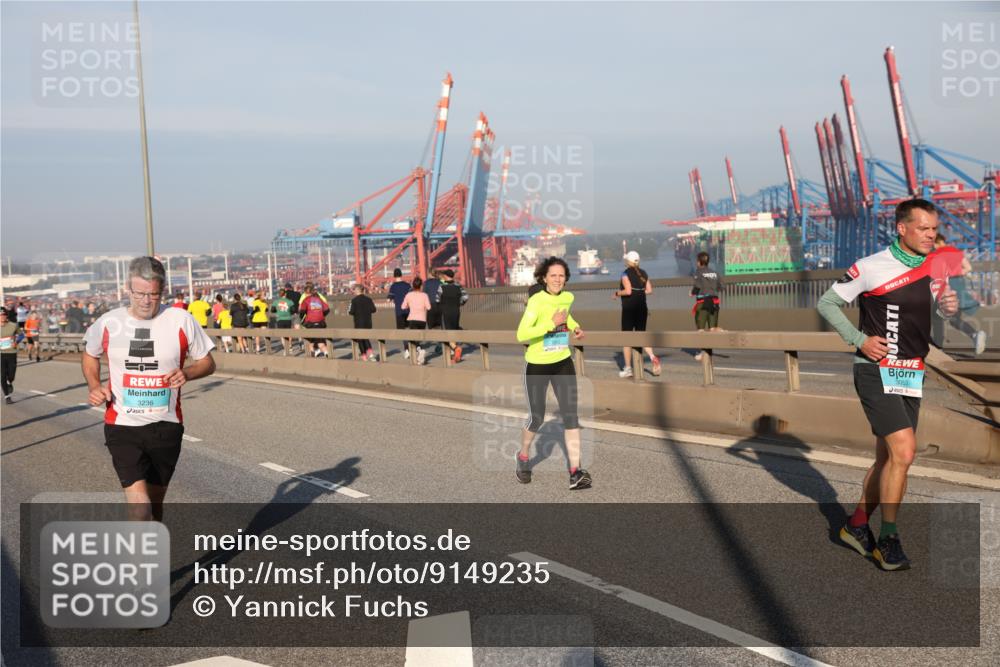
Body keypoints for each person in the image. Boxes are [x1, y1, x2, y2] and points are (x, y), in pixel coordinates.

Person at [817, 198, 959, 571]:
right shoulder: (870, 267)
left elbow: (931, 321)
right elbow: (827, 303)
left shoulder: (934, 267)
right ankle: (888, 539)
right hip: (874, 369)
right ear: (902, 228)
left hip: (912, 372)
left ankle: (856, 526)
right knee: (905, 452)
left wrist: (948, 308)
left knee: (888, 459)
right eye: (924, 228)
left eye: (934, 229)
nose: (932, 235)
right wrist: (858, 338)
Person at [82, 256, 216, 522]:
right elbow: (89, 354)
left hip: (165, 427)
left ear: (162, 291)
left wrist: (187, 373)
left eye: (153, 294)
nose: (146, 300)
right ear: (128, 290)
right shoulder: (109, 322)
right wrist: (95, 385)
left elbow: (208, 363)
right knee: (140, 508)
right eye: (140, 293)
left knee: (154, 507)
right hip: (122, 426)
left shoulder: (180, 319)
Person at [515, 257, 590, 490]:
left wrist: (574, 325)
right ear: (544, 278)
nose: (558, 279)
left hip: (562, 362)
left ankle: (575, 472)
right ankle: (524, 457)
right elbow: (522, 334)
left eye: (561, 275)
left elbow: (565, 316)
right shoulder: (536, 301)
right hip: (537, 365)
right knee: (536, 417)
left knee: (571, 416)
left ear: (566, 278)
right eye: (553, 275)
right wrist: (550, 323)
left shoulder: (568, 297)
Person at [930, 234, 987, 356]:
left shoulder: (936, 254)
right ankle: (974, 335)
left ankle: (937, 346)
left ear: (937, 242)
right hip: (959, 283)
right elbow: (968, 268)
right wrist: (956, 273)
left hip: (946, 285)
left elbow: (936, 274)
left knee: (937, 316)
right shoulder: (955, 251)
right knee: (953, 319)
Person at [614, 251, 661, 378]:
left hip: (629, 309)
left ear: (627, 261)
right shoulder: (644, 273)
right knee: (641, 335)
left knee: (627, 338)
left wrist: (617, 293)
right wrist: (639, 293)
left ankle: (628, 368)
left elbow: (628, 291)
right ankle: (652, 357)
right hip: (642, 309)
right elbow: (649, 290)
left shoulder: (625, 273)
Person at [691, 252, 723, 361]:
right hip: (715, 302)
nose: (696, 263)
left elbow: (697, 286)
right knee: (712, 328)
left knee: (701, 330)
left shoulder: (698, 272)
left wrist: (692, 293)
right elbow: (721, 286)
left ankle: (703, 352)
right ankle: (709, 352)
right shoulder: (715, 273)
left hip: (703, 302)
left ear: (700, 262)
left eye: (697, 261)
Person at [438, 269, 468, 363]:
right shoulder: (458, 286)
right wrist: (459, 303)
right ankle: (454, 355)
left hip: (446, 312)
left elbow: (437, 299)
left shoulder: (441, 287)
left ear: (446, 276)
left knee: (447, 333)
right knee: (454, 331)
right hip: (456, 311)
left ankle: (455, 349)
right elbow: (466, 297)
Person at [400, 277, 431, 365]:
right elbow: (429, 307)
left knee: (413, 339)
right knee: (418, 339)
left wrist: (409, 305)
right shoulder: (425, 295)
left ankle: (419, 352)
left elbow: (403, 307)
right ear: (421, 286)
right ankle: (419, 354)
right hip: (422, 320)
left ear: (413, 286)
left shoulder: (409, 295)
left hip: (412, 319)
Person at [298, 282, 330, 357]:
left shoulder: (305, 300)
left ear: (305, 293)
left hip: (310, 323)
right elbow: (327, 310)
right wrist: (322, 315)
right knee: (321, 342)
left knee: (310, 342)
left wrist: (302, 318)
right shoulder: (319, 299)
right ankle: (327, 353)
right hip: (321, 323)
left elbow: (302, 311)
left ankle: (312, 355)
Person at [348, 284, 378, 361]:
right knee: (366, 338)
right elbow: (373, 310)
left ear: (356, 291)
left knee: (360, 340)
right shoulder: (369, 299)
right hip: (368, 322)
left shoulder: (354, 300)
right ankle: (371, 354)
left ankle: (364, 356)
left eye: (354, 290)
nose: (353, 292)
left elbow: (351, 312)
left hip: (358, 323)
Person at [388, 268, 412, 358]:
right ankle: (415, 346)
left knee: (402, 331)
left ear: (394, 275)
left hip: (399, 312)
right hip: (409, 310)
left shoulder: (393, 286)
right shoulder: (407, 285)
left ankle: (407, 349)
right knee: (410, 329)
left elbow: (388, 299)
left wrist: (394, 299)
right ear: (401, 274)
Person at [0, 309, 23, 403]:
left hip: (12, 353)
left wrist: (16, 342)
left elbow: (21, 335)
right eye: (0, 315)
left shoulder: (13, 325)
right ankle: (7, 396)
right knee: (2, 376)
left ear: (7, 315)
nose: (2, 316)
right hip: (1, 354)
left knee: (11, 374)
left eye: (4, 314)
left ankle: (10, 381)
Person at [270, 288, 296, 355]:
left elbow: (272, 310)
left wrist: (278, 311)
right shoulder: (290, 301)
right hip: (288, 319)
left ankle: (285, 348)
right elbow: (293, 310)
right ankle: (289, 346)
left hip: (280, 319)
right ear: (285, 294)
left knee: (282, 335)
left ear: (279, 294)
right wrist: (288, 312)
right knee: (288, 333)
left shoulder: (276, 301)